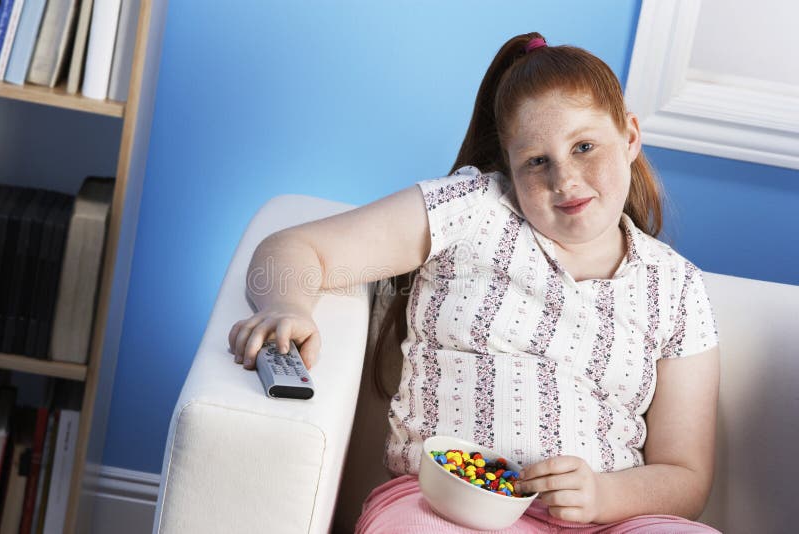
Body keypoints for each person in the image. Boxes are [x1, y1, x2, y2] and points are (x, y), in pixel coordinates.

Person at [228, 32, 721, 533]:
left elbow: (687, 476)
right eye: (537, 161)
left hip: (608, 520)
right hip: (448, 507)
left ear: (630, 137)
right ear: (509, 164)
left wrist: (604, 495)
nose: (565, 179)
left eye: (585, 146)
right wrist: (287, 304)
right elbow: (292, 248)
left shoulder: (677, 288)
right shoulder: (471, 210)